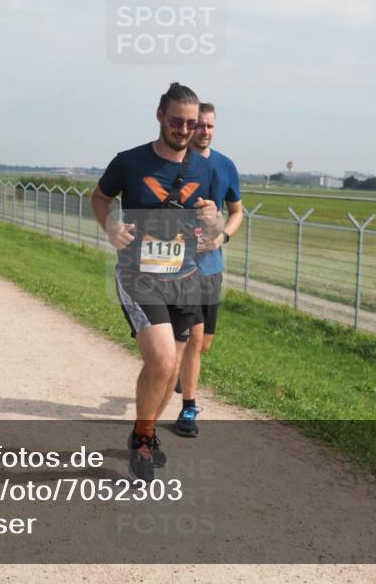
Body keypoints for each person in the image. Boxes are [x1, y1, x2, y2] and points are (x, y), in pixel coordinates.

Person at [91, 83, 222, 481]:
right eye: (177, 120)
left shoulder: (205, 168)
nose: (184, 128)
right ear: (160, 115)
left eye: (191, 122)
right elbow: (99, 198)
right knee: (162, 360)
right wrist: (110, 226)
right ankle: (145, 437)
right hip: (138, 277)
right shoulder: (129, 162)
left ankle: (143, 431)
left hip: (185, 278)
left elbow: (215, 223)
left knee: (173, 368)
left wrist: (212, 217)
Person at [173, 102, 243, 438]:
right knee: (193, 336)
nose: (204, 132)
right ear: (189, 127)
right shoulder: (175, 164)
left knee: (203, 344)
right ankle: (189, 407)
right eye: (199, 125)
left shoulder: (226, 165)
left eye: (210, 126)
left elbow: (238, 211)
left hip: (212, 266)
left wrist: (223, 236)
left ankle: (180, 373)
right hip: (182, 267)